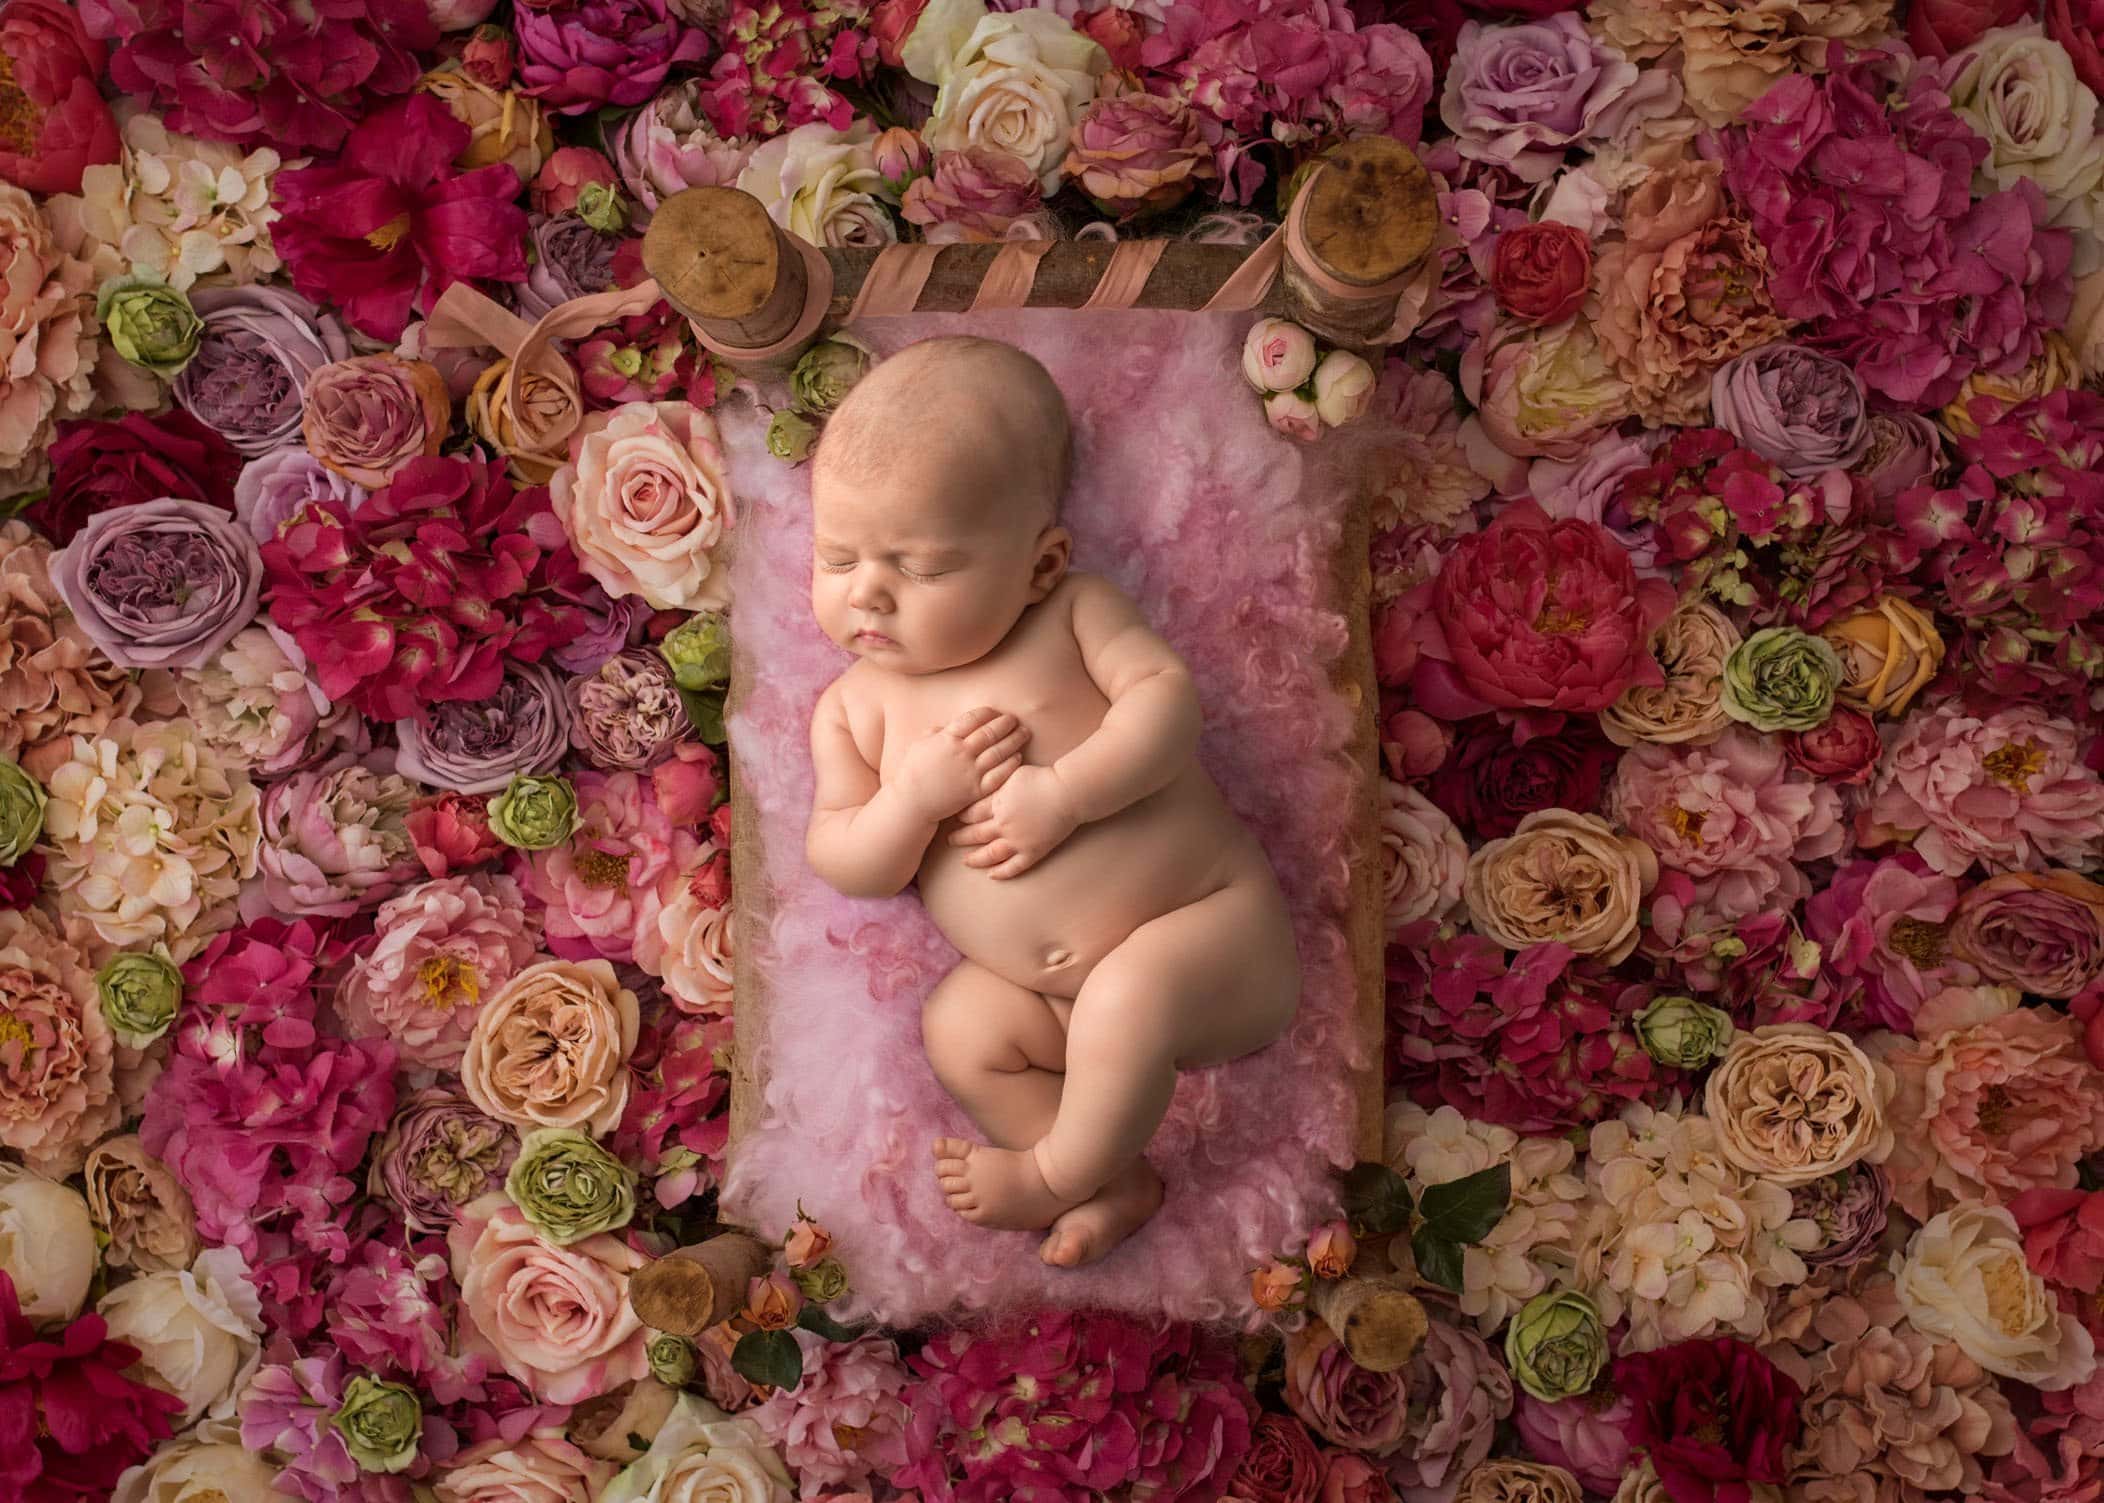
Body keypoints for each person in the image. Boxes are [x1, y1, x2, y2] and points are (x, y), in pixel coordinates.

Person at [802, 335, 1301, 1267]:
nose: (868, 592)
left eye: (921, 567)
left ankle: (1051, 1173)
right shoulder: (852, 709)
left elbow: (1167, 705)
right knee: (959, 1024)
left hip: (1210, 937)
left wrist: (1066, 795)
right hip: (1054, 1003)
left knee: (1128, 993)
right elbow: (845, 856)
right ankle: (1116, 1179)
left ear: (1038, 565)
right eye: (837, 557)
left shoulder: (1072, 613)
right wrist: (911, 800)